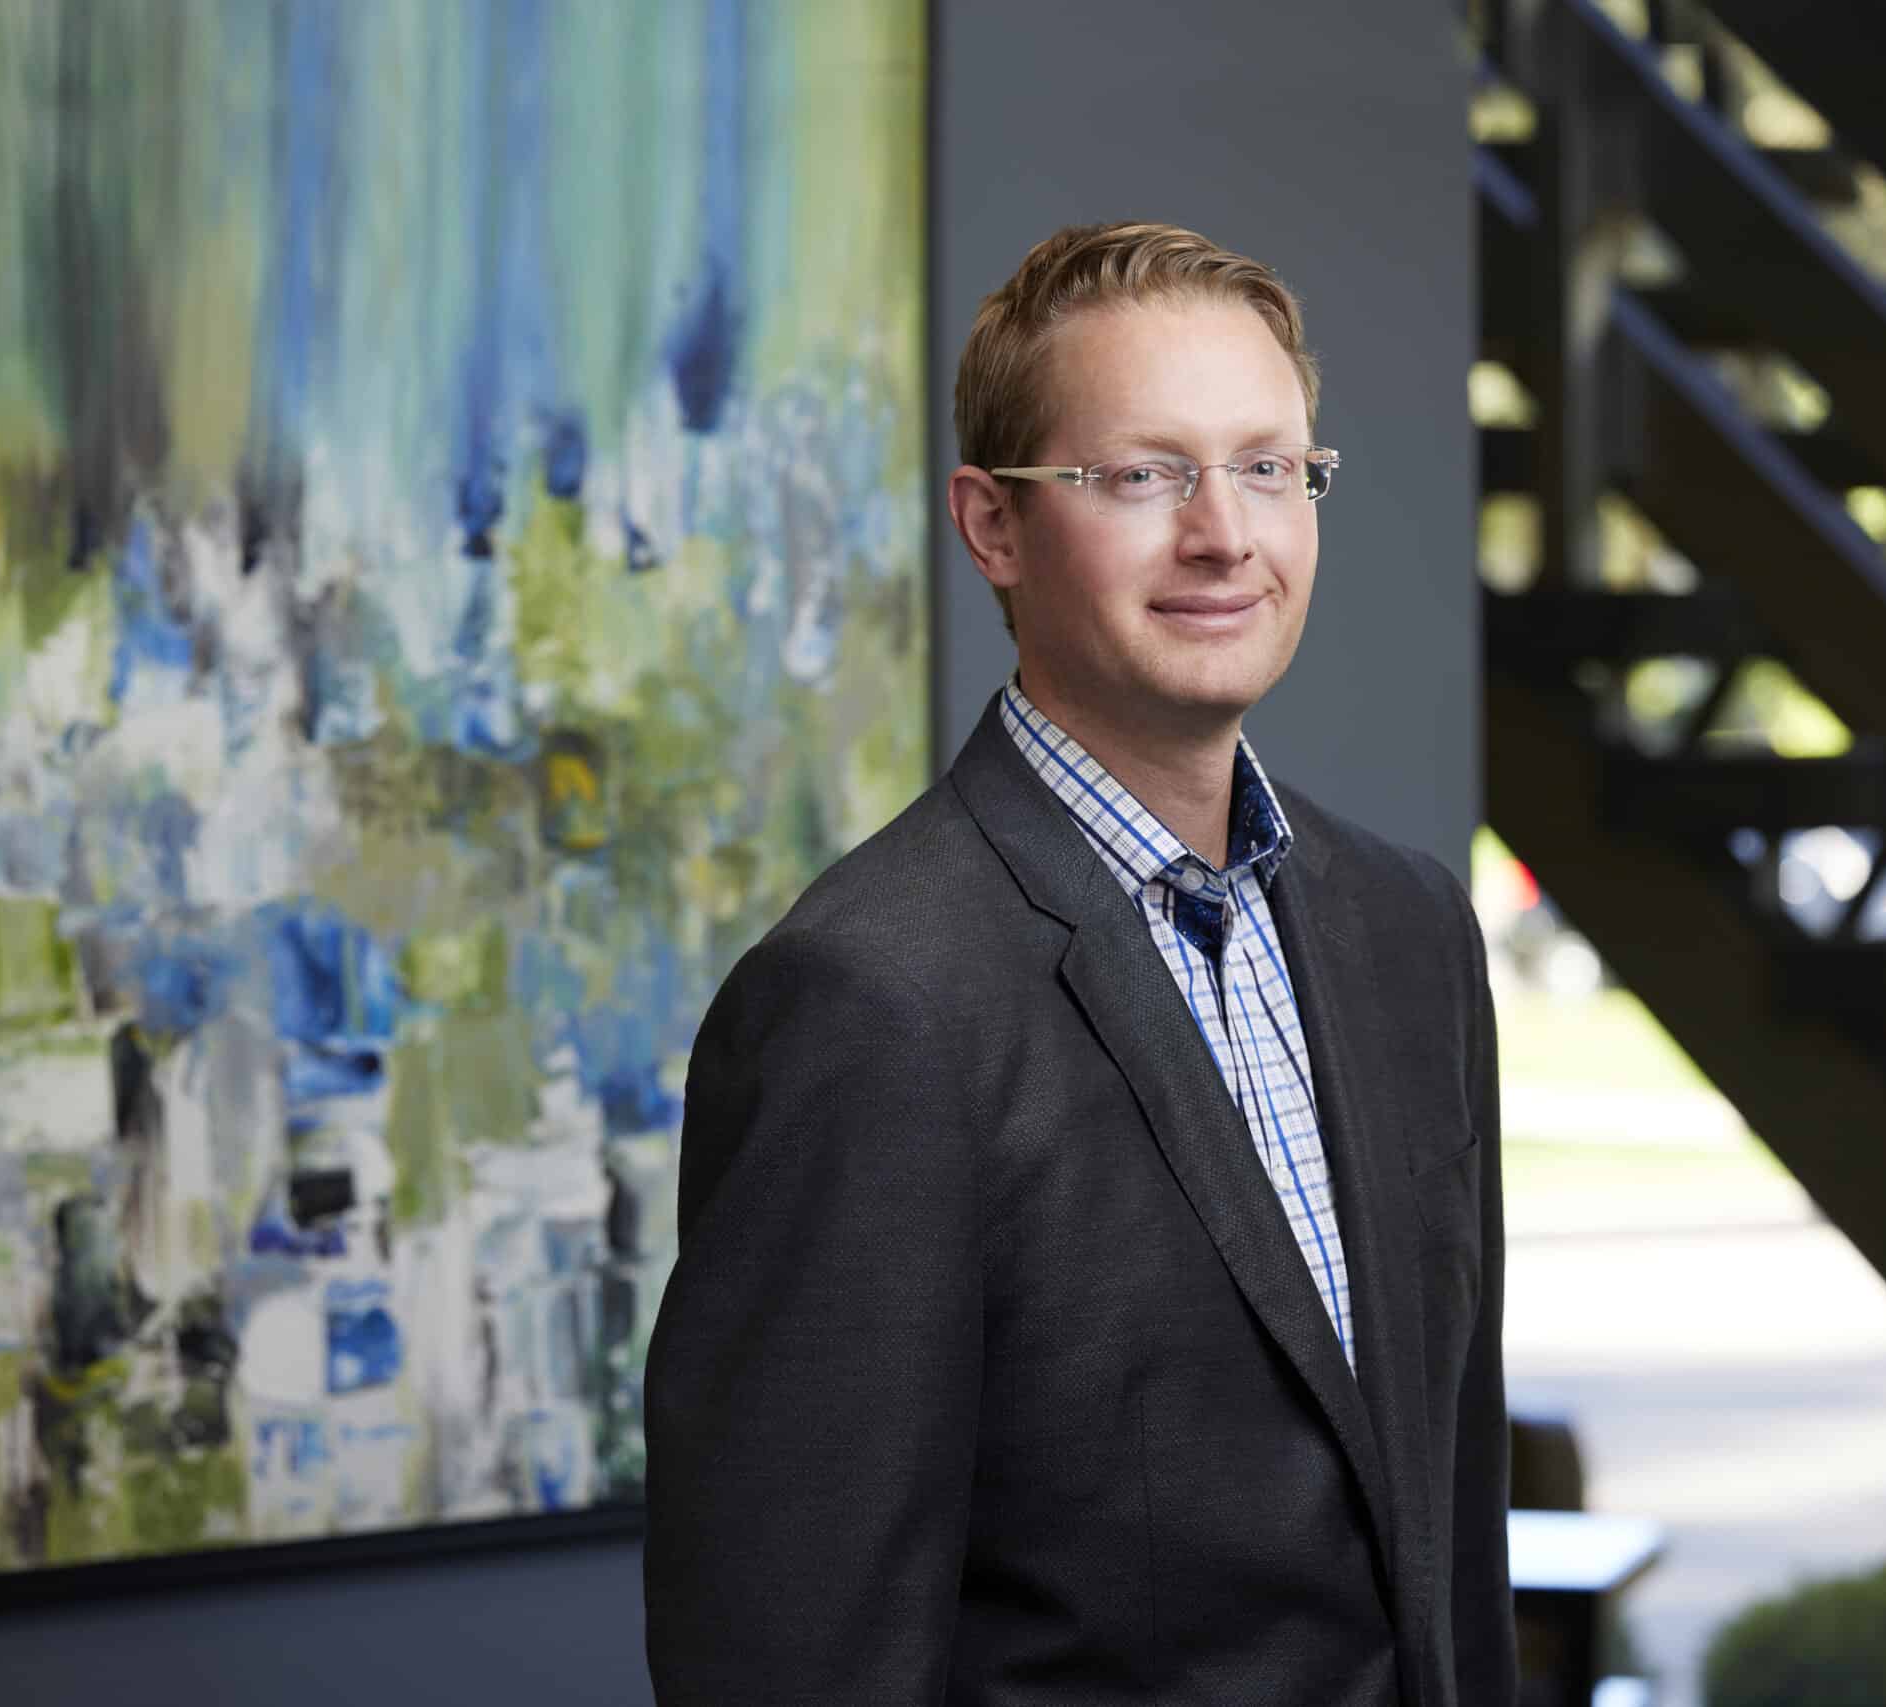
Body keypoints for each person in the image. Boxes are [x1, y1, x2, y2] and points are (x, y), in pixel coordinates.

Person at [643, 222, 1512, 1707]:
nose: (1224, 532)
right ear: (992, 527)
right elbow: (790, 1658)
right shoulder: (873, 1003)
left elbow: (1449, 1540)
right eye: (1142, 473)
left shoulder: (1410, 931)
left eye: (1268, 466)